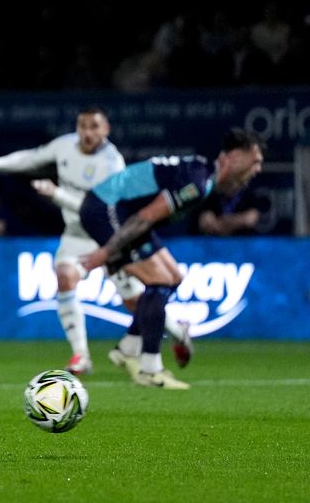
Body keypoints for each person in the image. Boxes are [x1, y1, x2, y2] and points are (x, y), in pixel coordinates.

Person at [78, 128, 265, 389]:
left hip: (120, 211)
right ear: (233, 157)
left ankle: (128, 348)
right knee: (160, 281)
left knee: (174, 277)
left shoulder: (202, 176)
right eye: (255, 160)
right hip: (105, 208)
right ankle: (150, 369)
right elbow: (145, 217)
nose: (258, 168)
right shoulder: (196, 183)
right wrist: (106, 252)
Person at [0, 107, 135, 375]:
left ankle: (177, 331)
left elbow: (95, 211)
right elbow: (32, 158)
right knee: (65, 277)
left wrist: (57, 195)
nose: (87, 133)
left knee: (136, 301)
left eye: (94, 127)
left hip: (107, 236)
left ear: (106, 130)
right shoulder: (65, 145)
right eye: (83, 126)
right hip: (76, 235)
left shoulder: (113, 165)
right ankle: (81, 356)